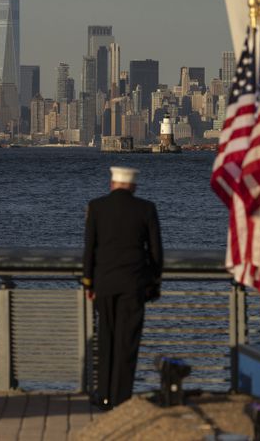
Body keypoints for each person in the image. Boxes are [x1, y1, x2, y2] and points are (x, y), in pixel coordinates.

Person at [82, 166, 163, 410]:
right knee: (127, 343)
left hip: (104, 285)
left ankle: (104, 395)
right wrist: (154, 283)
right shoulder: (146, 209)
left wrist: (89, 283)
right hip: (133, 285)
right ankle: (122, 397)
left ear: (112, 184)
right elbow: (156, 252)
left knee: (106, 340)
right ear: (133, 186)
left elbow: (89, 250)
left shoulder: (96, 207)